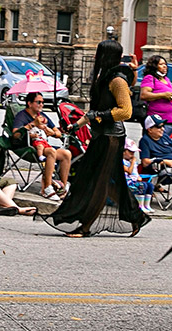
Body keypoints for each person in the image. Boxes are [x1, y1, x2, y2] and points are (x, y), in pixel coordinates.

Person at [38, 38, 149, 237]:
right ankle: (135, 216)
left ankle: (86, 225)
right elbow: (93, 112)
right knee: (107, 181)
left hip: (112, 138)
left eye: (99, 53)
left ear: (106, 56)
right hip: (101, 135)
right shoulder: (104, 77)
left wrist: (100, 116)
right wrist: (75, 125)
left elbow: (126, 111)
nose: (96, 57)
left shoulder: (116, 80)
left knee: (98, 182)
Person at [11, 91, 71, 199]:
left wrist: (52, 133)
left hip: (45, 145)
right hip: (29, 147)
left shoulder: (43, 116)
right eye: (38, 102)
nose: (41, 105)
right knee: (52, 152)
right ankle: (47, 188)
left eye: (42, 102)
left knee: (66, 153)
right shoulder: (22, 116)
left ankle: (62, 187)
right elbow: (15, 134)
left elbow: (57, 132)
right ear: (29, 103)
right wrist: (32, 124)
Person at [140, 55, 172, 136]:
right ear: (154, 66)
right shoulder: (150, 78)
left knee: (168, 147)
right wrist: (162, 95)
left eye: (165, 64)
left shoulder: (166, 80)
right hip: (156, 122)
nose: (164, 66)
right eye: (161, 64)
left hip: (170, 122)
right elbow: (144, 95)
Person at [122, 138, 154, 212]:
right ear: (123, 151)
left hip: (134, 180)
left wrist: (138, 176)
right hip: (126, 182)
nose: (132, 155)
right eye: (130, 152)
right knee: (142, 186)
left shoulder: (131, 162)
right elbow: (129, 171)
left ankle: (147, 205)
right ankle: (140, 205)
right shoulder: (121, 161)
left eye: (133, 152)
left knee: (150, 185)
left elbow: (135, 173)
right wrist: (133, 162)